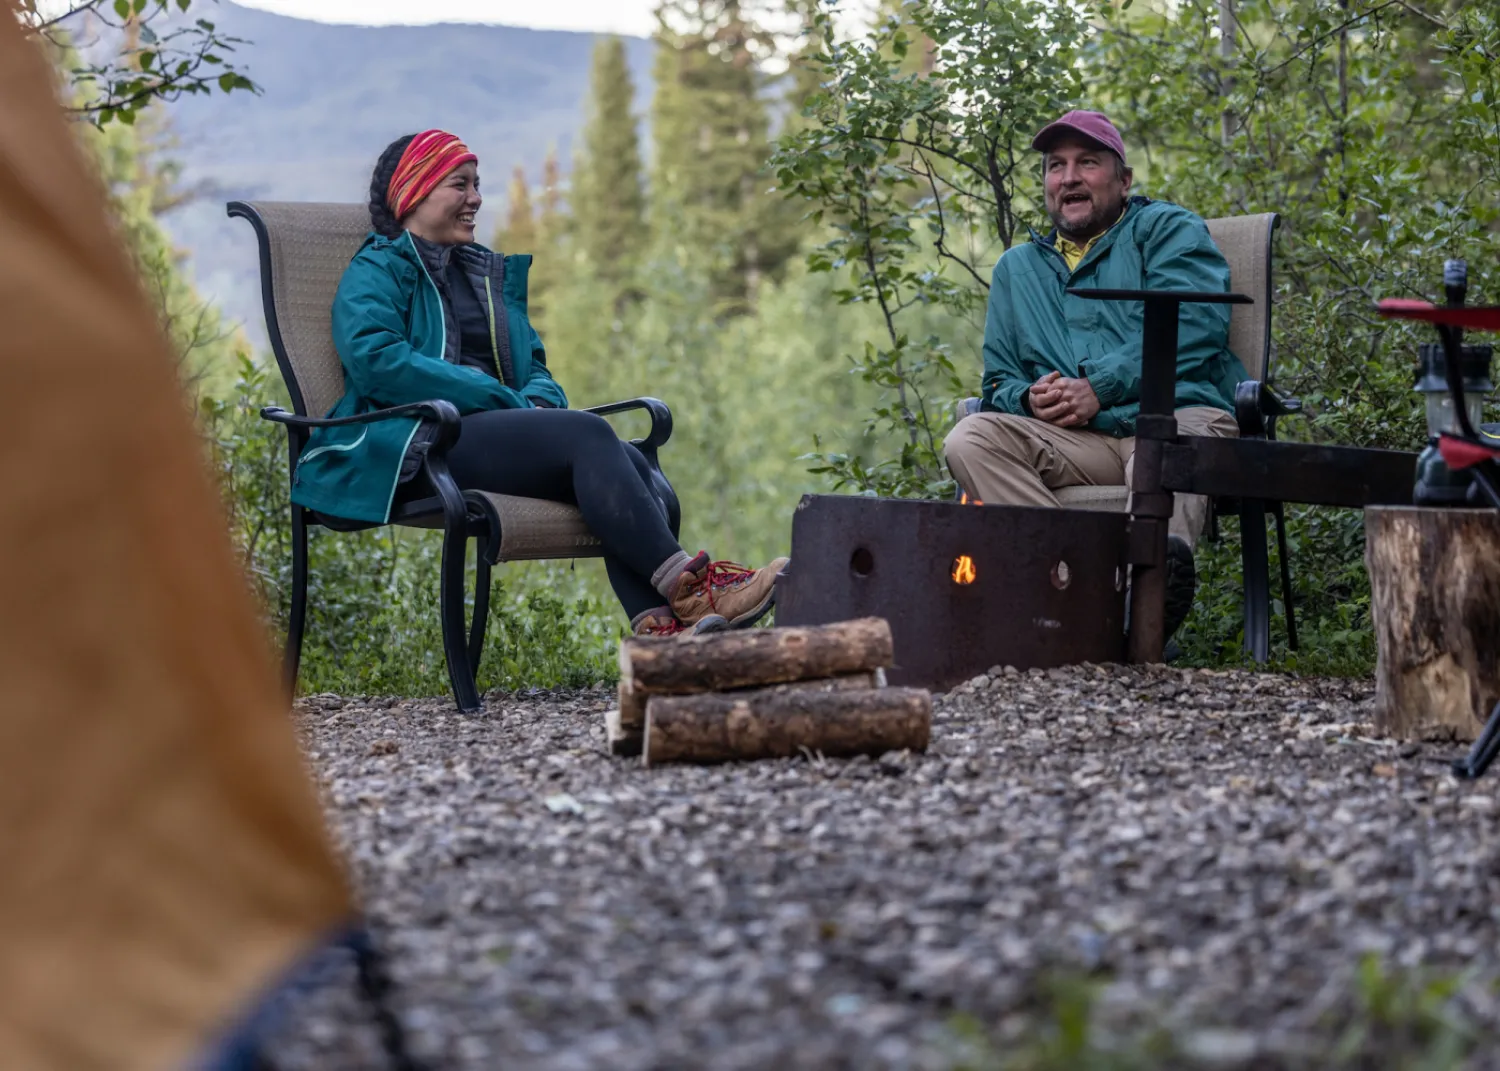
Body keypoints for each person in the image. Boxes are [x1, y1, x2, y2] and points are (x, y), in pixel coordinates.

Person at [292, 130, 787, 638]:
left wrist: (538, 401)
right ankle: (693, 590)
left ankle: (660, 629)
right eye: (459, 185)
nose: (476, 198)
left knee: (632, 459)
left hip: (484, 440)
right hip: (413, 447)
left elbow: (535, 367)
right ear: (414, 192)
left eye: (477, 185)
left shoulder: (482, 274)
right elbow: (377, 360)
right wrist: (501, 398)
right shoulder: (380, 267)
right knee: (589, 436)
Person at [943, 110, 1246, 640]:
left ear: (1123, 180)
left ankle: (1142, 612)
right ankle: (1078, 595)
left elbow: (1198, 322)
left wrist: (1099, 387)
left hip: (1176, 417)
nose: (1069, 177)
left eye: (1088, 162)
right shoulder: (1018, 269)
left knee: (1160, 460)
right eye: (1055, 166)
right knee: (971, 437)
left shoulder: (1166, 230)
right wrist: (1030, 400)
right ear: (1045, 186)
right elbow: (998, 384)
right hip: (1080, 444)